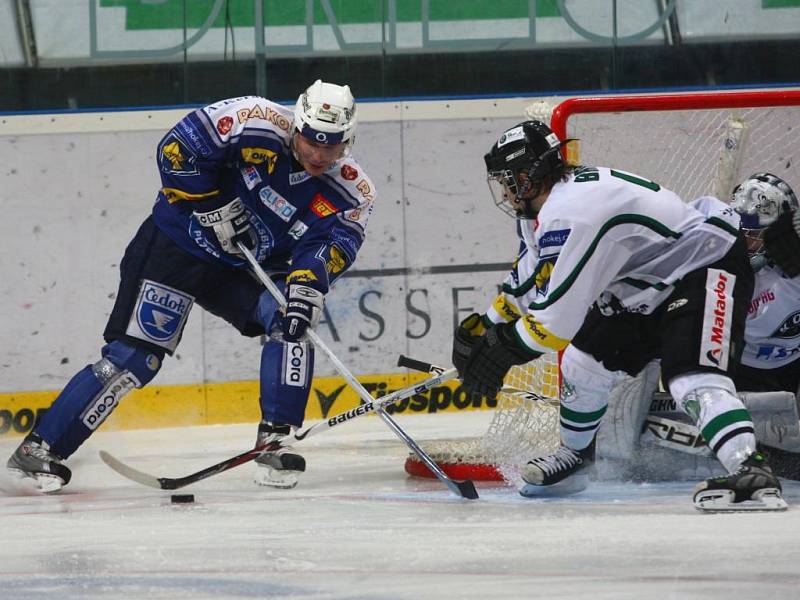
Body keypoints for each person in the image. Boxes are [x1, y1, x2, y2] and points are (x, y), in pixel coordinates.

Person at [7, 80, 376, 493]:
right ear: (297, 125)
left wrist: (309, 281)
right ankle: (41, 448)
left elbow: (337, 242)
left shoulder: (352, 190)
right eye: (311, 140)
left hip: (239, 269)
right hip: (176, 247)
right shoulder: (253, 120)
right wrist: (209, 204)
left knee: (291, 319)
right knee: (135, 358)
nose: (318, 154)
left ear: (349, 140)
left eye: (332, 146)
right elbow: (177, 148)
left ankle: (276, 438)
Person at [452, 120, 787, 511]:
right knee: (583, 361)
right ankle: (575, 458)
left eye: (508, 180)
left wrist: (501, 349)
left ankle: (751, 470)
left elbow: (554, 325)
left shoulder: (570, 213)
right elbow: (530, 277)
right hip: (650, 281)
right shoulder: (548, 207)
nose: (505, 191)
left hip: (706, 262)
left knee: (690, 376)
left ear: (527, 178)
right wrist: (486, 325)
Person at [729, 173, 800, 395]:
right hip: (745, 369)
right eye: (741, 230)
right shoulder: (724, 267)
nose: (745, 242)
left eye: (754, 234)